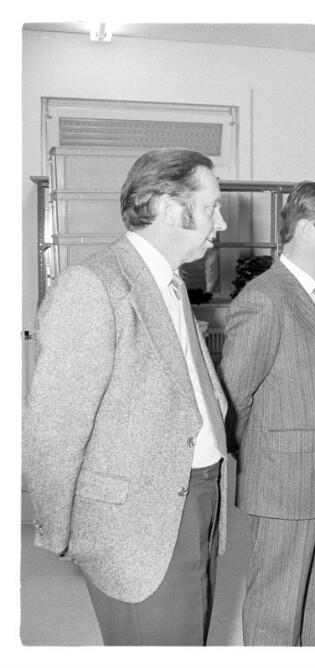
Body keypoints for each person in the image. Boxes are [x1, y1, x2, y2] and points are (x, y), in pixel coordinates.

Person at [23, 148, 230, 645]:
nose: (221, 223)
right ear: (167, 207)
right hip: (136, 523)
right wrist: (61, 531)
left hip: (197, 495)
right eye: (211, 208)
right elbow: (53, 429)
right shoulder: (92, 286)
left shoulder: (170, 281)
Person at [220, 181, 315, 646]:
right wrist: (267, 460)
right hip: (285, 484)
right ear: (305, 229)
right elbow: (233, 398)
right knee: (276, 613)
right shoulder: (265, 298)